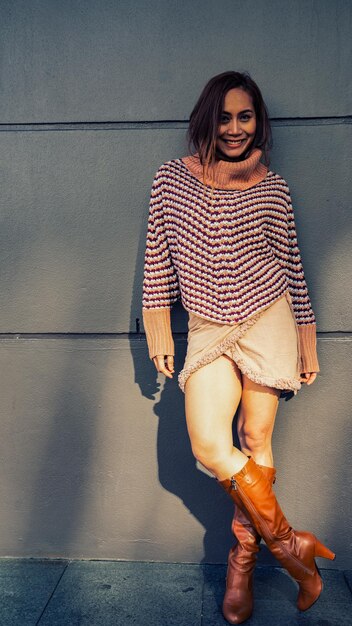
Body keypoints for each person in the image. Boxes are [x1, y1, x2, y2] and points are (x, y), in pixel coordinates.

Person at [142, 71, 335, 625]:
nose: (233, 128)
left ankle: (242, 562)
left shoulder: (274, 188)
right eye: (224, 116)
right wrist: (159, 324)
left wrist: (305, 335)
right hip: (206, 323)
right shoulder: (170, 182)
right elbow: (158, 258)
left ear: (258, 122)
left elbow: (293, 267)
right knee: (209, 444)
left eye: (244, 116)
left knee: (255, 437)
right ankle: (289, 545)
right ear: (208, 117)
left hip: (268, 317)